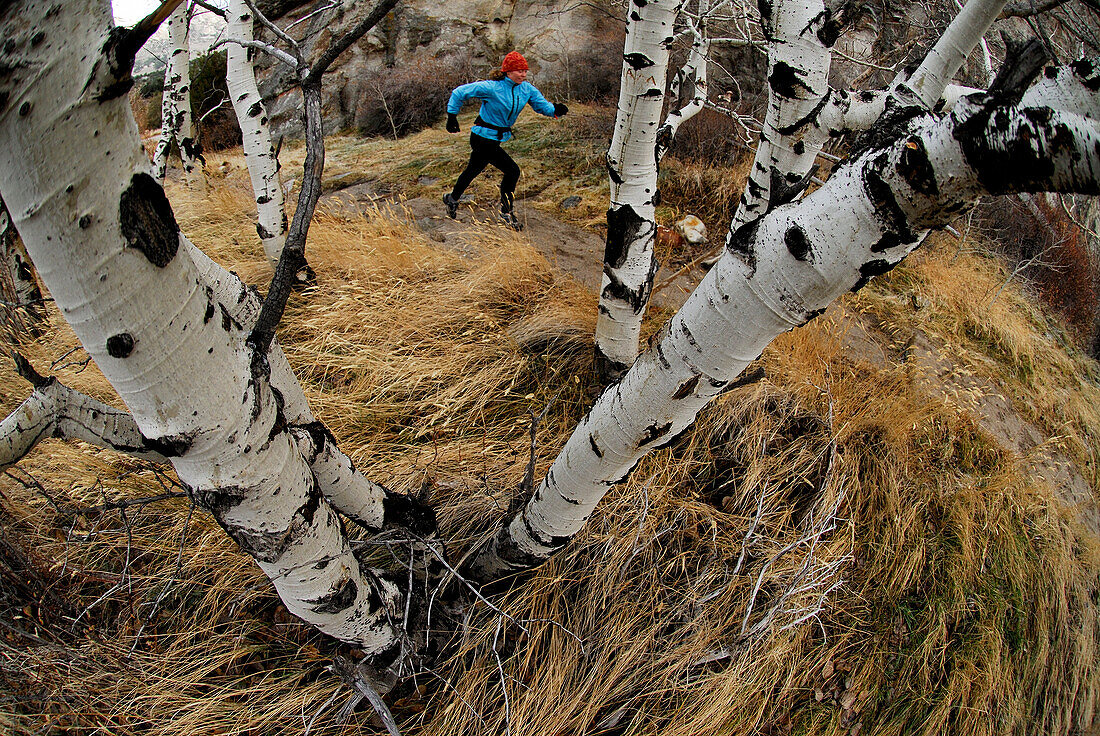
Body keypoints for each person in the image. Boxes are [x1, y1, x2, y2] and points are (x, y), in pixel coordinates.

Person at [443, 51, 568, 230]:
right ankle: (505, 213)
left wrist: (555, 110)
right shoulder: (492, 87)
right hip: (482, 137)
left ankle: (452, 199)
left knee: (474, 169)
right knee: (512, 171)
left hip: (496, 138)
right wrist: (452, 116)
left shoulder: (527, 89)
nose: (523, 74)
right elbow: (459, 92)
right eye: (519, 70)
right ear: (507, 71)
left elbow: (541, 105)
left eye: (525, 70)